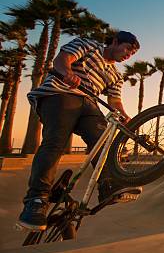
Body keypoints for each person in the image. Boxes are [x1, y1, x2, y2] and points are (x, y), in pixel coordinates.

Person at [17, 31, 141, 231]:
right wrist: (68, 73)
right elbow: (62, 59)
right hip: (60, 94)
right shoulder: (89, 45)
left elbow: (114, 102)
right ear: (115, 42)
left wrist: (126, 117)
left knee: (102, 139)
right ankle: (36, 200)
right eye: (127, 48)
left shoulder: (116, 76)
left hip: (89, 105)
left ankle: (107, 184)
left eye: (132, 54)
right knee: (55, 142)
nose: (128, 55)